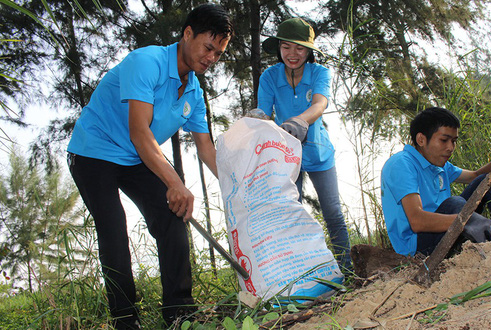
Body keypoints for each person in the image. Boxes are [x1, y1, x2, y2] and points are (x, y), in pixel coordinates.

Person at [66, 4, 233, 328]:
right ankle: (125, 318)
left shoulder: (194, 93)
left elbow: (206, 149)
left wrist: (237, 187)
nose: (212, 58)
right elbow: (140, 133)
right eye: (208, 47)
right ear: (187, 34)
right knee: (113, 225)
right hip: (93, 152)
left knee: (173, 218)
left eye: (219, 53)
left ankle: (179, 312)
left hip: (135, 158)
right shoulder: (148, 62)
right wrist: (175, 182)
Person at [381, 107, 491, 256]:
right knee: (454, 202)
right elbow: (417, 221)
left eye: (454, 141)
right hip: (418, 246)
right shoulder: (402, 164)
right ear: (421, 139)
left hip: (448, 227)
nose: (451, 147)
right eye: (444, 140)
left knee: (485, 182)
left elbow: (475, 176)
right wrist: (470, 220)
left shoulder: (439, 164)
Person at [257, 18, 352, 272]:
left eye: (299, 48)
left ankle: (348, 269)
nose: (292, 54)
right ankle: (303, 274)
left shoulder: (319, 73)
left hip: (319, 153)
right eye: (286, 47)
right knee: (292, 216)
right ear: (278, 48)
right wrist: (253, 123)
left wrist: (299, 121)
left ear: (309, 51)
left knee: (333, 214)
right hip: (286, 157)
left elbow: (320, 104)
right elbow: (263, 114)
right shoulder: (269, 76)